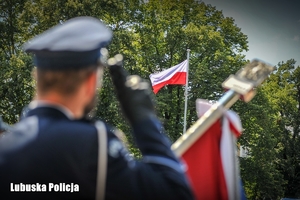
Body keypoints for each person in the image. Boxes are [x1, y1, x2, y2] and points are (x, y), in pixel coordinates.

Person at [0, 16, 194, 200]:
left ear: (37, 76)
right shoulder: (94, 143)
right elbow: (176, 192)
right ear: (92, 80)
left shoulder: (6, 145)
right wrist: (145, 122)